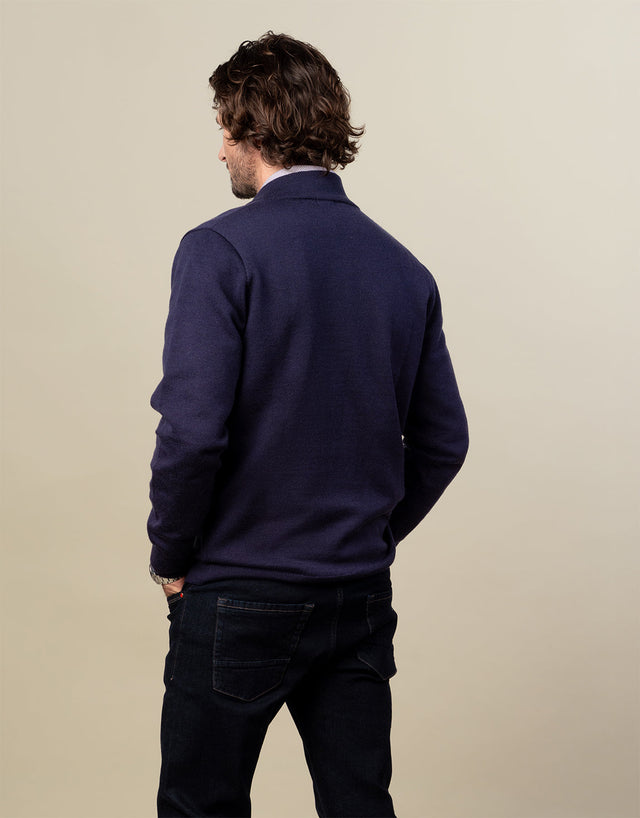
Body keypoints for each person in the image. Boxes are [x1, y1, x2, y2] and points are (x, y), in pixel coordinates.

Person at [147, 31, 469, 818]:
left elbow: (192, 433)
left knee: (200, 807)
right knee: (359, 805)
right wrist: (369, 532)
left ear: (250, 126)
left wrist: (171, 554)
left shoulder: (219, 250)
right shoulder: (403, 269)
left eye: (223, 127)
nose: (219, 149)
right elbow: (443, 442)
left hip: (238, 588)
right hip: (357, 594)